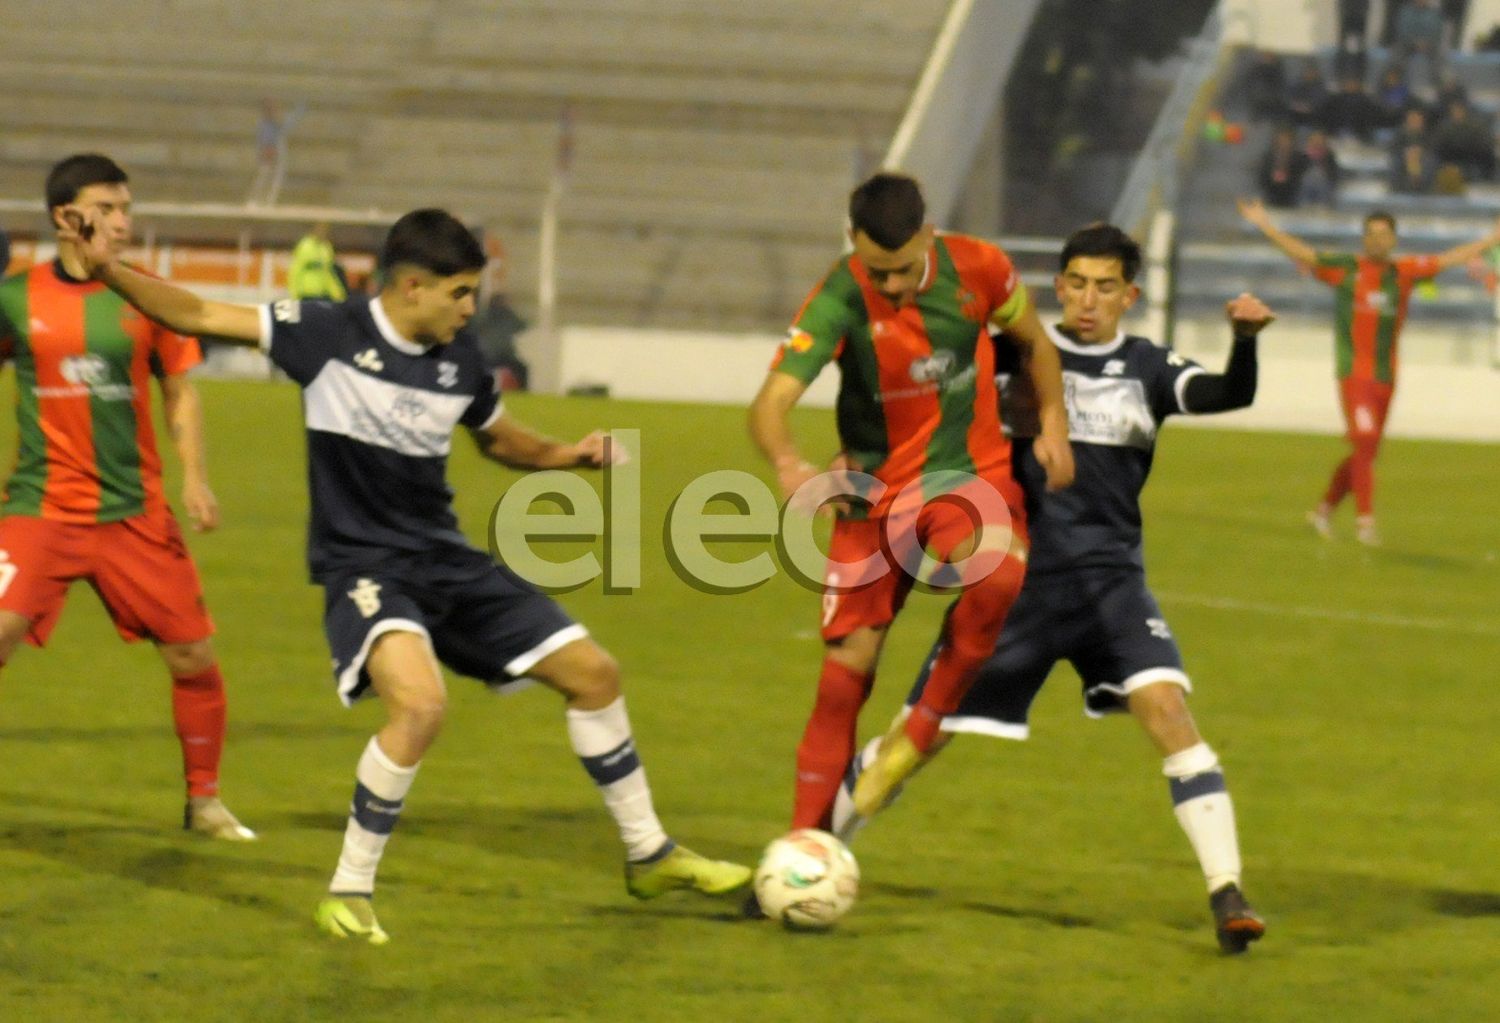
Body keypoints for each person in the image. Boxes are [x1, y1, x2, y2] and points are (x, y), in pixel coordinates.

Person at [61, 205, 751, 944]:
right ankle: (349, 890)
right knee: (420, 707)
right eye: (459, 293)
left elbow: (500, 438)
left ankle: (649, 853)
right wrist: (103, 268)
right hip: (365, 568)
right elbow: (196, 309)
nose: (469, 308)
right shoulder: (324, 333)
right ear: (412, 286)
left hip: (444, 560)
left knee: (595, 674)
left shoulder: (461, 360)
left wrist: (567, 456)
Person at [831, 223, 1275, 954]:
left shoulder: (1148, 366)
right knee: (919, 736)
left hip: (1111, 584)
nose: (1088, 298)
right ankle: (811, 849)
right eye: (1075, 282)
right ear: (1058, 286)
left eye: (1105, 286)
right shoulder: (1011, 354)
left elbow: (1229, 392)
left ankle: (1228, 894)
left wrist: (1246, 339)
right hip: (1016, 585)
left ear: (1131, 294)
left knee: (1169, 711)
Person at [746, 172, 1073, 850]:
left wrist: (1053, 423)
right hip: (871, 498)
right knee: (844, 679)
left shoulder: (981, 268)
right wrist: (788, 462)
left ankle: (920, 728)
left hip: (964, 477)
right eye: (876, 270)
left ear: (928, 233)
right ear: (852, 244)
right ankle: (805, 849)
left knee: (1000, 573)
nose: (889, 286)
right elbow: (770, 402)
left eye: (899, 270)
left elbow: (1037, 343)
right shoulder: (839, 294)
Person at [0, 154, 254, 841]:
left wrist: (194, 477)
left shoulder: (147, 296)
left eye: (125, 209)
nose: (120, 222)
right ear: (64, 217)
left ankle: (204, 800)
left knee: (193, 657)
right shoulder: (14, 297)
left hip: (133, 516)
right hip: (38, 508)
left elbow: (179, 389)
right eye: (105, 209)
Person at [1237, 197, 1500, 543]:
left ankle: (1323, 512)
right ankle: (1365, 522)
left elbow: (1449, 258)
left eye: (1383, 235)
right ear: (1363, 239)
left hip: (1386, 376)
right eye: (1371, 234)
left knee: (1367, 450)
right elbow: (1305, 254)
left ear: (1394, 239)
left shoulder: (1404, 273)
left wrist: (1491, 239)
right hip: (1353, 374)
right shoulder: (1347, 268)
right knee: (1363, 442)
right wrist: (1265, 223)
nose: (1377, 240)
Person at [287, 221, 347, 302]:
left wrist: (337, 293)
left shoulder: (326, 248)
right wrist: (294, 293)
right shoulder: (305, 245)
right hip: (305, 293)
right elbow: (296, 269)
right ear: (314, 230)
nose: (323, 233)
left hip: (323, 294)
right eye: (320, 230)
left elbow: (329, 273)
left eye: (325, 231)